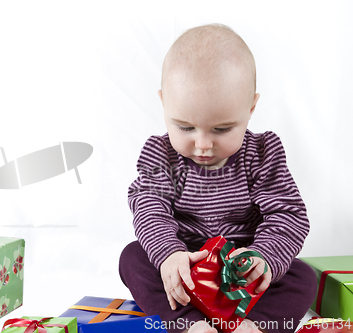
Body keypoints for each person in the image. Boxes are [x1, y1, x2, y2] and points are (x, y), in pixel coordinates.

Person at [119, 24, 317, 333]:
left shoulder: (263, 153)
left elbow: (288, 214)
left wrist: (263, 257)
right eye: (185, 127)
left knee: (301, 276)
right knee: (132, 258)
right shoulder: (159, 154)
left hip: (240, 272)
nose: (202, 143)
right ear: (163, 103)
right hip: (186, 265)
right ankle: (189, 324)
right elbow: (149, 208)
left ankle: (254, 326)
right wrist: (170, 254)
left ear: (250, 107)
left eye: (221, 129)